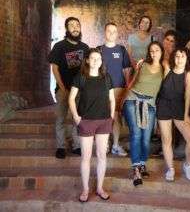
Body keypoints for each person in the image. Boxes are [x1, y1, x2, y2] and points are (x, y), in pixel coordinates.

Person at [68, 48, 115, 203]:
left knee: (102, 156)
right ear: (87, 60)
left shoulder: (106, 77)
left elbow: (112, 99)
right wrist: (76, 117)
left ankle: (100, 188)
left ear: (102, 61)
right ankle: (85, 189)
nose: (96, 61)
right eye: (93, 58)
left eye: (99, 59)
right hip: (86, 121)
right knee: (86, 157)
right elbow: (71, 98)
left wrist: (112, 116)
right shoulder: (81, 77)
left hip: (103, 121)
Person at [122, 41, 164, 186]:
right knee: (136, 134)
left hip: (150, 104)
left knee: (146, 137)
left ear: (161, 51)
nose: (154, 53)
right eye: (151, 51)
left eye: (157, 50)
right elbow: (131, 83)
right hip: (133, 99)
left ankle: (142, 163)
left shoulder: (164, 68)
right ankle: (136, 170)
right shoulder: (143, 64)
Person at [48, 17, 89, 159]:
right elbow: (54, 68)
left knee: (76, 118)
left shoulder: (85, 47)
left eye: (77, 25)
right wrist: (63, 88)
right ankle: (61, 146)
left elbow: (87, 69)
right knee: (61, 118)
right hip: (63, 89)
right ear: (67, 29)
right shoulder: (59, 46)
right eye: (72, 25)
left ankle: (76, 145)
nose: (75, 28)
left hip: (79, 91)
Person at [156, 48, 190, 181]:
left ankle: (188, 164)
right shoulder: (167, 69)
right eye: (177, 56)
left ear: (187, 58)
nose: (179, 59)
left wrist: (185, 115)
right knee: (166, 140)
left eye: (183, 56)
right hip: (163, 105)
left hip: (179, 106)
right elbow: (156, 58)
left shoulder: (188, 74)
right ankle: (170, 168)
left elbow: (188, 96)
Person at [98, 22, 132, 157]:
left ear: (117, 34)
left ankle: (116, 145)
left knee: (116, 116)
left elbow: (127, 69)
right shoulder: (98, 49)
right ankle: (104, 144)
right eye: (109, 31)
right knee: (104, 116)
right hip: (102, 88)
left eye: (114, 31)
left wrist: (127, 87)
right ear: (104, 33)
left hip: (118, 87)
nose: (111, 33)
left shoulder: (121, 50)